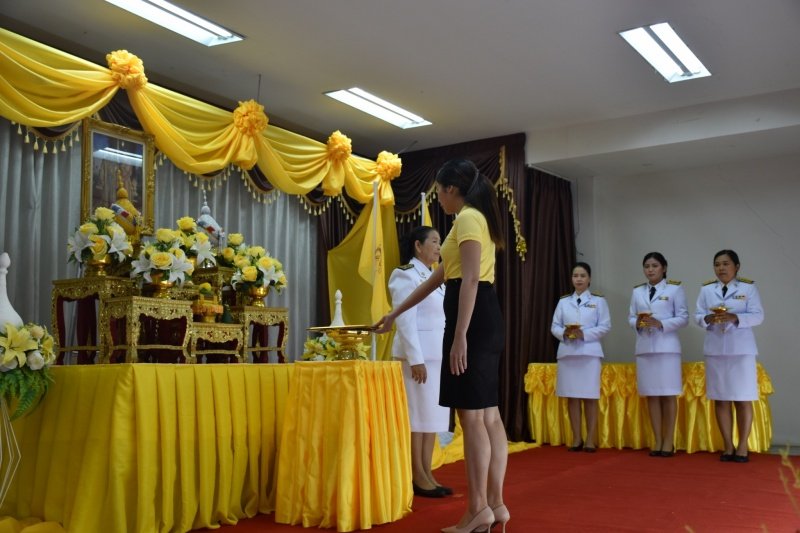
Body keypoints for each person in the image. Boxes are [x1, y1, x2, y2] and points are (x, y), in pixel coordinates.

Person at [375, 159, 509, 533]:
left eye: (439, 192)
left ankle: (478, 509)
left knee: (473, 418)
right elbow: (439, 278)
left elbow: (469, 280)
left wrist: (460, 335)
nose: (439, 199)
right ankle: (494, 504)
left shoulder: (467, 219)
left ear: (451, 189)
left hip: (474, 322)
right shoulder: (473, 218)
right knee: (489, 416)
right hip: (482, 318)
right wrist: (394, 313)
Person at [388, 225, 452, 498]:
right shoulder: (405, 274)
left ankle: (427, 472)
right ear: (418, 245)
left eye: (440, 242)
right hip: (418, 358)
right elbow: (405, 320)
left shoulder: (433, 276)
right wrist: (416, 359)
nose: (439, 247)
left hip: (436, 356)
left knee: (431, 419)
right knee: (417, 418)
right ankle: (417, 475)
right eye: (434, 241)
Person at [695, 249, 764, 463]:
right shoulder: (707, 289)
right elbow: (697, 315)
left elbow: (758, 316)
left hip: (741, 350)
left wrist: (735, 317)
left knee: (742, 399)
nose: (721, 268)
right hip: (716, 350)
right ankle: (727, 445)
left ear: (737, 266)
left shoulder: (748, 288)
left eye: (725, 264)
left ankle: (742, 446)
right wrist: (707, 318)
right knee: (721, 398)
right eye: (717, 264)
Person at [628, 252, 688, 457]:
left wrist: (661, 323)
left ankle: (669, 440)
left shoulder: (674, 289)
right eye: (647, 266)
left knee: (668, 394)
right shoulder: (637, 291)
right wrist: (637, 322)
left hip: (667, 349)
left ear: (664, 267)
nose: (650, 270)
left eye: (654, 265)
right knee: (652, 395)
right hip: (645, 348)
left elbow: (683, 318)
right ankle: (657, 439)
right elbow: (630, 317)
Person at [551, 262, 611, 453]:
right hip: (568, 353)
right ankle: (577, 438)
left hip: (589, 354)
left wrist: (583, 334)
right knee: (572, 397)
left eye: (582, 276)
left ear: (589, 278)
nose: (579, 279)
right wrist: (565, 333)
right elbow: (555, 326)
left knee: (590, 397)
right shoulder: (563, 302)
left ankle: (590, 439)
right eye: (575, 276)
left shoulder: (599, 301)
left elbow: (605, 326)